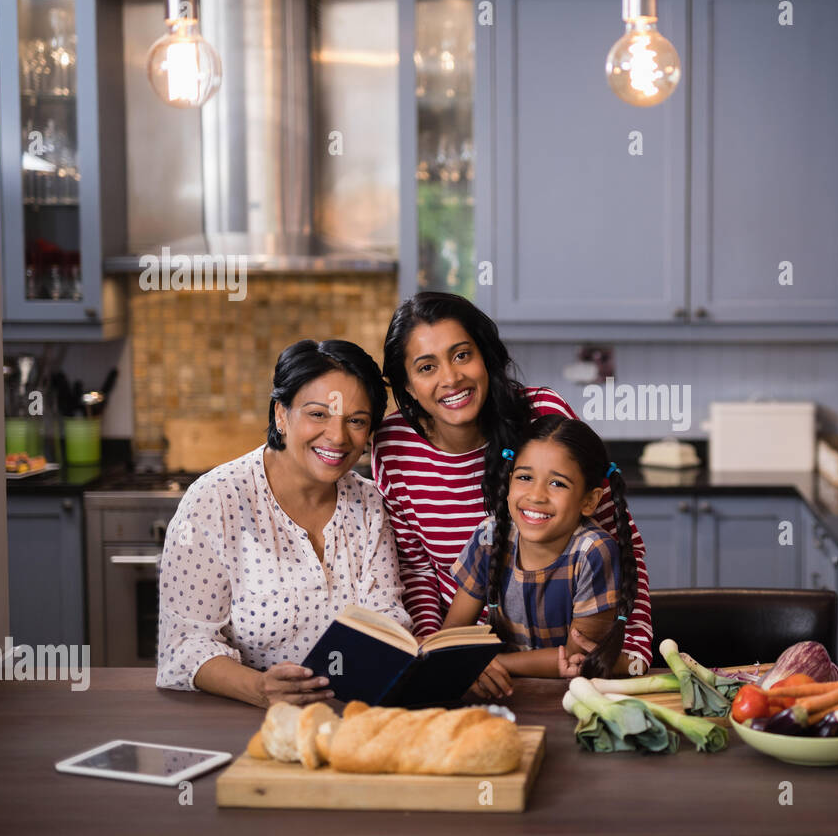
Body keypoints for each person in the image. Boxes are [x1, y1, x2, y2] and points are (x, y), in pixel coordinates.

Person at [373, 291, 652, 696]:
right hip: (472, 662)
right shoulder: (393, 443)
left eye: (462, 355)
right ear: (408, 385)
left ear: (486, 357)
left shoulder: (543, 416)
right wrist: (445, 659)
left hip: (569, 662)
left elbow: (622, 544)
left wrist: (633, 644)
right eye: (427, 366)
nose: (450, 378)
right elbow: (416, 571)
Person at [156, 339, 411, 707]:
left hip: (350, 711)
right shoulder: (215, 500)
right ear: (280, 414)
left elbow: (387, 617)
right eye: (318, 414)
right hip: (242, 716)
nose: (338, 437)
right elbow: (183, 645)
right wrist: (258, 688)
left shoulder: (369, 503)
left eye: (356, 421)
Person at [444, 415, 636, 680]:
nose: (536, 495)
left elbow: (574, 658)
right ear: (509, 482)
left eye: (557, 483)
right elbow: (452, 633)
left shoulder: (593, 552)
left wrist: (490, 664)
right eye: (524, 477)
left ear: (590, 500)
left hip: (567, 694)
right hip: (500, 688)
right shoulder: (489, 535)